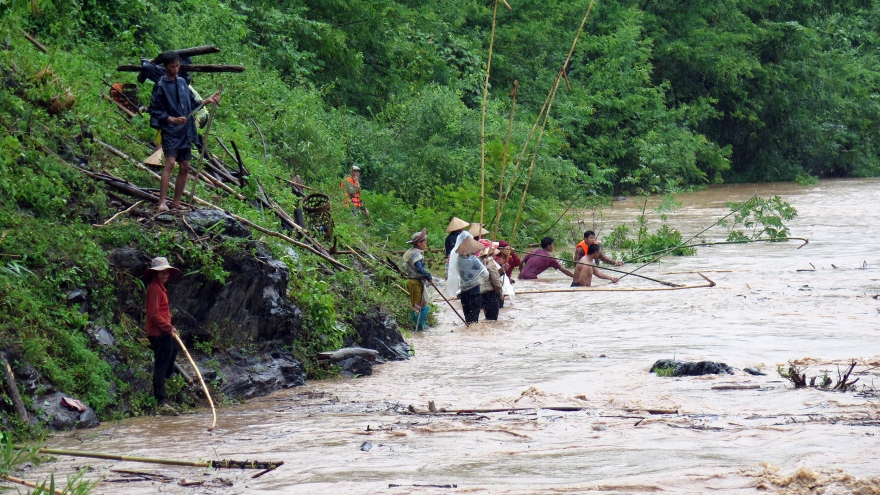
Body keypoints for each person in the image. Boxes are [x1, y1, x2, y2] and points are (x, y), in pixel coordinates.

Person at [149, 51, 221, 212]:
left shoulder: (182, 83)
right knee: (170, 163)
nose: (176, 69)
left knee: (185, 166)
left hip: (185, 130)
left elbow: (194, 103)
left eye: (177, 66)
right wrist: (171, 119)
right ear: (165, 67)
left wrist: (208, 100)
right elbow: (154, 109)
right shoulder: (160, 86)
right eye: (172, 67)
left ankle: (176, 202)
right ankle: (162, 202)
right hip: (170, 130)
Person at [144, 256, 182, 415]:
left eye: (166, 272)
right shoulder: (154, 289)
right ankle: (161, 401)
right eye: (161, 272)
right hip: (158, 333)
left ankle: (167, 376)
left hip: (164, 331)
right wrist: (168, 327)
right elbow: (154, 314)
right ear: (155, 274)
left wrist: (169, 328)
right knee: (160, 365)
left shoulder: (160, 288)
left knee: (174, 349)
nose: (165, 275)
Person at [402, 228, 432, 331]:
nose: (426, 244)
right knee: (417, 305)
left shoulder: (414, 252)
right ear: (419, 243)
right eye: (425, 242)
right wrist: (428, 276)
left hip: (418, 281)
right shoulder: (415, 254)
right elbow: (419, 268)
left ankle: (421, 324)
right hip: (414, 281)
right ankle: (418, 327)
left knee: (423, 303)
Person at [456, 237, 488, 323]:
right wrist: (484, 264)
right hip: (474, 291)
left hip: (464, 292)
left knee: (468, 317)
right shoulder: (473, 260)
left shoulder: (459, 260)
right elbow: (484, 273)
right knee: (474, 318)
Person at [479, 247, 503, 320]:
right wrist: (500, 293)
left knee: (487, 318)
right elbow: (495, 281)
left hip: (481, 293)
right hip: (490, 294)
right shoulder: (490, 262)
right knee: (492, 320)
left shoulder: (479, 261)